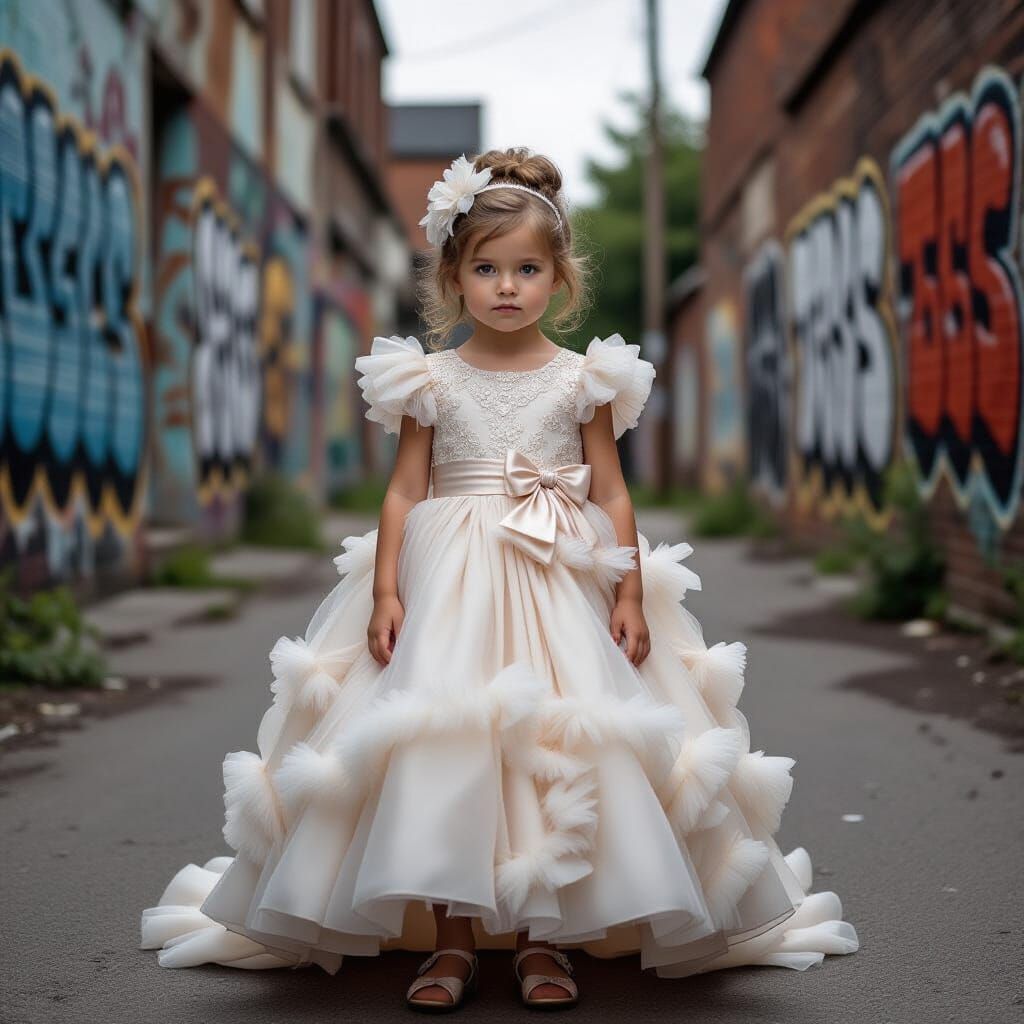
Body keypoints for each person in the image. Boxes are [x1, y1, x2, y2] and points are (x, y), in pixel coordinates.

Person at [140, 147, 859, 1011]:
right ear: (453, 276)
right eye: (486, 268)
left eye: (527, 269)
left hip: (561, 571)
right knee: (449, 747)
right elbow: (407, 486)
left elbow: (614, 489)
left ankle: (541, 939)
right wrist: (386, 589)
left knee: (552, 744)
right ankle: (450, 941)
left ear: (560, 281)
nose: (507, 285)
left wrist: (629, 593)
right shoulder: (429, 378)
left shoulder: (585, 379)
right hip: (451, 581)